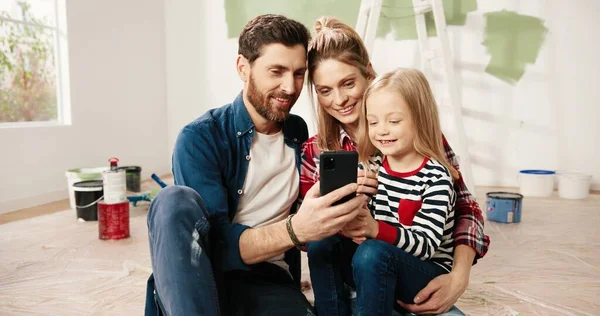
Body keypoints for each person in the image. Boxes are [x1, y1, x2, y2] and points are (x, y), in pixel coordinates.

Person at [144, 14, 368, 316]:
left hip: (268, 282)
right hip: (202, 280)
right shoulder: (200, 138)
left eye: (299, 73)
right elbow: (215, 248)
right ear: (243, 68)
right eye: (276, 71)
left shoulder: (298, 134)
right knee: (172, 200)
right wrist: (295, 229)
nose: (290, 87)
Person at [301, 17, 490, 315]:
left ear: (368, 74)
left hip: (402, 261)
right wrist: (336, 206)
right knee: (326, 245)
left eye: (348, 83)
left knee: (375, 256)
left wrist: (459, 276)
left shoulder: (414, 139)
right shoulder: (316, 150)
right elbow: (306, 232)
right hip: (364, 263)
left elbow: (465, 207)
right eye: (325, 90)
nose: (339, 99)